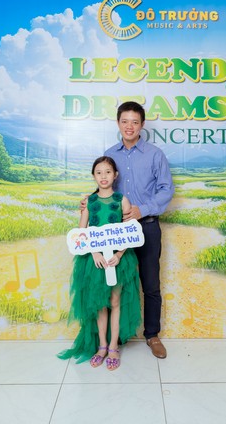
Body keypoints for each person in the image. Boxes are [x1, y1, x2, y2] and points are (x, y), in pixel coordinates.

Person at [58, 156, 142, 370]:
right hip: (95, 260)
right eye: (99, 172)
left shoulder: (122, 200)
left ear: (115, 175)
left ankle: (114, 346)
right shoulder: (90, 202)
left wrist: (120, 254)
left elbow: (129, 233)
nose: (103, 176)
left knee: (115, 301)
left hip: (117, 261)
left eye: (108, 172)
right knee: (100, 303)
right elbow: (82, 231)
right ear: (93, 176)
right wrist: (94, 251)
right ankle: (102, 346)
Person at [105, 101, 174, 359]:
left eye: (135, 122)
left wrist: (141, 210)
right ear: (118, 123)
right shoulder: (110, 154)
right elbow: (104, 186)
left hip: (147, 227)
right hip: (117, 231)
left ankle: (152, 335)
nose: (129, 126)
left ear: (142, 125)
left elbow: (166, 189)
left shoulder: (155, 154)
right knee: (117, 284)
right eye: (125, 121)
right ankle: (118, 336)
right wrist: (89, 201)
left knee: (151, 284)